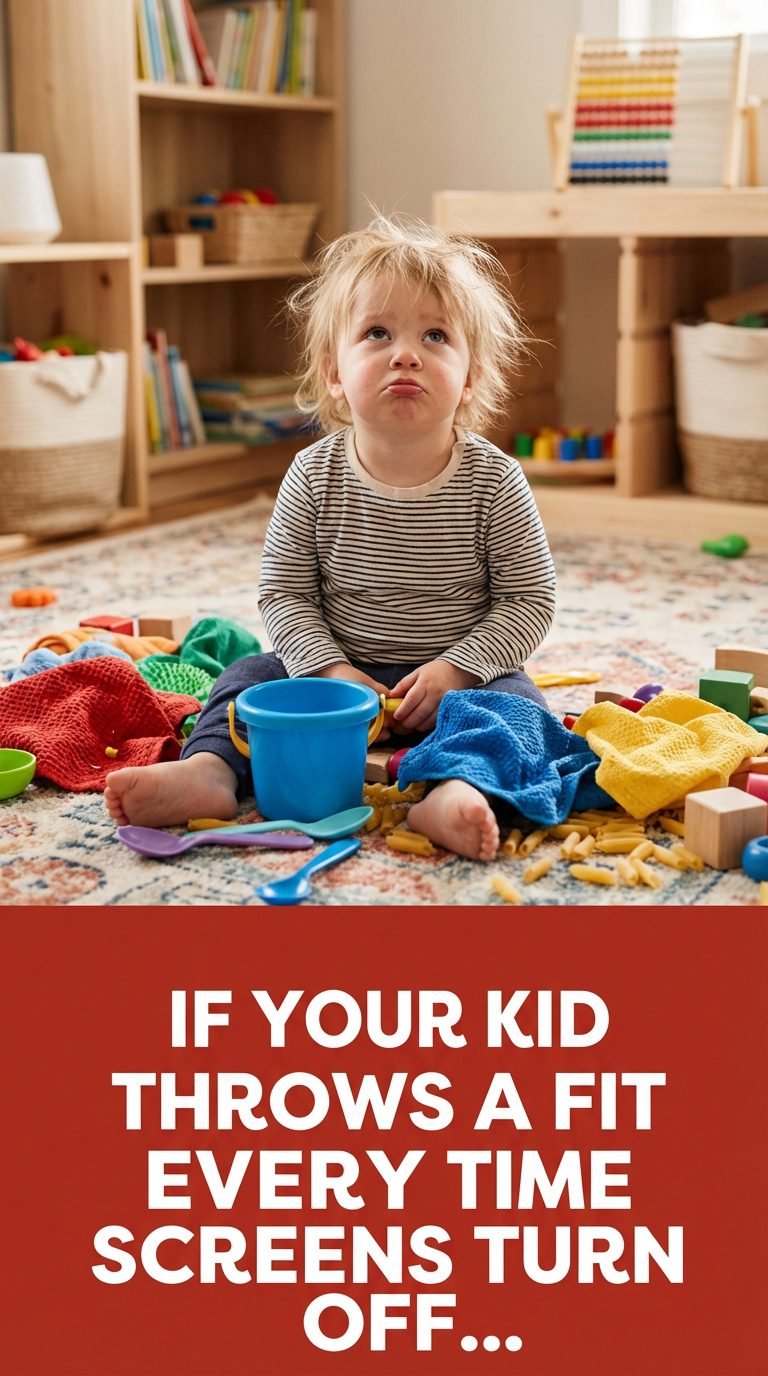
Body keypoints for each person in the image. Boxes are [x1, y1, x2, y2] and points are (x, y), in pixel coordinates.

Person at [105, 214, 556, 860]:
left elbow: (529, 601)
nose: (406, 354)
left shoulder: (495, 480)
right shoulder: (313, 475)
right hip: (335, 680)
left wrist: (458, 668)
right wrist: (330, 670)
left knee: (520, 708)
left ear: (471, 379)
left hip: (460, 682)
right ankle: (210, 773)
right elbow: (285, 595)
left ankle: (455, 790)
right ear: (334, 374)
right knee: (247, 676)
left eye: (435, 335)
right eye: (377, 333)